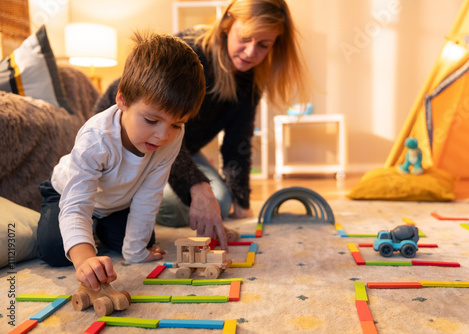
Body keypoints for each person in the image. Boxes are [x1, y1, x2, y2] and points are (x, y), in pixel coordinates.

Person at [93, 0, 309, 246]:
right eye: (245, 38)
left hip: (175, 146)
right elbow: (156, 121)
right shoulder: (191, 51)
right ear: (227, 25)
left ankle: (133, 198)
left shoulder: (250, 80)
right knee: (177, 205)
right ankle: (120, 203)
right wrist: (196, 187)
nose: (251, 52)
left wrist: (242, 202)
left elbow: (237, 143)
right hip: (131, 140)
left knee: (221, 201)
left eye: (263, 45)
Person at [36, 31, 206, 291]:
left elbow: (149, 195)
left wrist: (136, 252)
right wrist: (85, 259)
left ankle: (98, 228)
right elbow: (77, 203)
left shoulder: (173, 136)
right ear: (122, 99)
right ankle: (89, 230)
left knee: (142, 240)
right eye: (151, 120)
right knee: (56, 250)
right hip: (66, 193)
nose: (162, 136)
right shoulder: (96, 139)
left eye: (176, 124)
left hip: (115, 203)